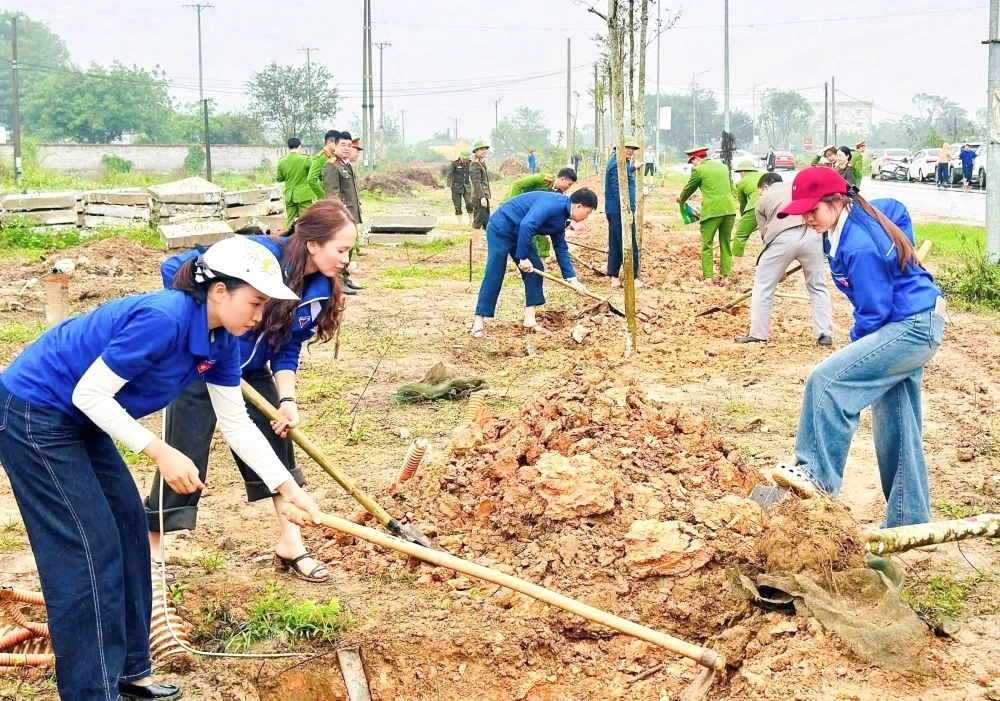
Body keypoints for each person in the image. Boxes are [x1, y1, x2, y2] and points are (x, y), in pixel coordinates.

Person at [0, 236, 323, 701]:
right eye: (254, 302)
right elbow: (88, 395)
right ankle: (91, 692)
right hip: (36, 412)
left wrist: (286, 486)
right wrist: (160, 451)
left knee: (130, 528)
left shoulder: (222, 339)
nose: (259, 316)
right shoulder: (163, 318)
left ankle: (131, 671)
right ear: (218, 292)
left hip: (79, 416)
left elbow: (236, 423)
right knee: (88, 549)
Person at [145, 201, 356, 584]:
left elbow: (288, 347)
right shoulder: (260, 257)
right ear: (313, 244)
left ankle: (292, 544)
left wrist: (287, 399)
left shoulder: (320, 288)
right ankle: (153, 547)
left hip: (254, 371)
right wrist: (204, 331)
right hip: (203, 365)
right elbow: (176, 268)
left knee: (277, 448)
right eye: (340, 249)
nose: (345, 259)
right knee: (184, 453)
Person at [766, 167, 945, 528]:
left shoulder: (859, 243)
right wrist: (899, 253)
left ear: (836, 200)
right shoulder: (852, 221)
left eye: (812, 210)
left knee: (828, 381)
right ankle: (909, 519)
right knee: (897, 421)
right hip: (917, 322)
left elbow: (873, 311)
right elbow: (895, 208)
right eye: (801, 212)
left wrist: (857, 350)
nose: (806, 219)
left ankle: (816, 474)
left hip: (909, 327)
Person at [470, 189, 597, 338]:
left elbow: (561, 247)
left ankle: (529, 321)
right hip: (502, 227)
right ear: (579, 206)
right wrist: (522, 258)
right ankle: (478, 323)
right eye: (587, 213)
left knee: (535, 269)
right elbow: (528, 224)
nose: (586, 217)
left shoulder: (564, 218)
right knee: (495, 272)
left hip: (521, 234)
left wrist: (572, 279)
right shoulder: (552, 204)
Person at [734, 172, 833, 346]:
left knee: (763, 286)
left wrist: (779, 270)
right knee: (817, 285)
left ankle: (758, 334)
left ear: (765, 187)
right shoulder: (797, 189)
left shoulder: (763, 200)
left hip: (779, 238)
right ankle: (824, 334)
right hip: (811, 234)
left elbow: (766, 237)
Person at [678, 147, 738, 286]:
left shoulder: (699, 170)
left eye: (692, 162)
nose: (692, 165)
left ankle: (708, 279)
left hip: (712, 212)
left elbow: (689, 188)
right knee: (725, 243)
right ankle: (725, 278)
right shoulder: (723, 167)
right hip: (729, 210)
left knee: (707, 245)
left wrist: (681, 199)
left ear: (697, 159)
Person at [504, 168, 579, 258]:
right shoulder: (542, 179)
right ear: (562, 179)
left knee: (542, 231)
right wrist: (513, 208)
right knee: (525, 234)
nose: (569, 187)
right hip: (513, 207)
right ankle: (524, 258)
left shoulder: (558, 194)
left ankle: (541, 260)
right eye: (569, 184)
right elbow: (518, 185)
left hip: (530, 213)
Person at [322, 131, 363, 294]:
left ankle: (345, 278)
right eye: (343, 145)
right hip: (342, 214)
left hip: (352, 212)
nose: (347, 148)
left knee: (349, 248)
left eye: (349, 145)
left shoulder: (346, 165)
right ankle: (338, 282)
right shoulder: (331, 166)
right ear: (335, 146)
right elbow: (332, 194)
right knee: (340, 248)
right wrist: (339, 216)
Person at [605, 137, 643, 288]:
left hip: (615, 210)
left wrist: (634, 167)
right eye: (627, 148)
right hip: (621, 210)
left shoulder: (621, 164)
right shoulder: (616, 165)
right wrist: (628, 212)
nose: (631, 151)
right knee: (629, 243)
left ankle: (614, 277)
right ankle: (633, 278)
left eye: (632, 149)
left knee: (615, 242)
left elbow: (624, 174)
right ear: (618, 148)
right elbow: (618, 190)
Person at [276, 137, 316, 229]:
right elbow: (313, 174)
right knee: (306, 219)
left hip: (289, 195)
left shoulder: (282, 161)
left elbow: (279, 178)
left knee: (290, 219)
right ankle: (304, 239)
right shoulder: (306, 159)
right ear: (300, 146)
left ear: (288, 147)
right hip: (303, 195)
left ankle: (288, 238)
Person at [731, 160, 764, 264]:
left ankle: (737, 264)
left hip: (755, 206)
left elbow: (743, 204)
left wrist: (745, 220)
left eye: (740, 173)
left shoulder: (741, 182)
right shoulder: (764, 175)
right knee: (770, 235)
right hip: (773, 205)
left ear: (744, 172)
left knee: (740, 235)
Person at [469, 140, 492, 248]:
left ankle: (490, 242)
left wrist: (483, 163)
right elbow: (476, 182)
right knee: (478, 220)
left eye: (485, 150)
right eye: (482, 150)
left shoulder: (480, 164)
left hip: (484, 196)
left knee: (487, 221)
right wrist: (482, 197)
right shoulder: (474, 165)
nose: (484, 151)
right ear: (476, 151)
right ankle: (477, 244)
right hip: (479, 197)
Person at [307, 129, 340, 201]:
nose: (338, 146)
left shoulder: (334, 156)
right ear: (329, 142)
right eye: (337, 143)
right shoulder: (320, 158)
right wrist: (323, 197)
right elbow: (311, 180)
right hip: (327, 196)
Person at [447, 151, 474, 225]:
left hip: (467, 187)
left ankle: (471, 219)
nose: (466, 161)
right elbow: (450, 175)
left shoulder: (470, 164)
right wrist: (448, 186)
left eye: (467, 159)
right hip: (456, 187)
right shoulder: (455, 163)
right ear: (461, 158)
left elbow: (473, 175)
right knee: (457, 204)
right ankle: (460, 221)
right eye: (465, 159)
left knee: (470, 203)